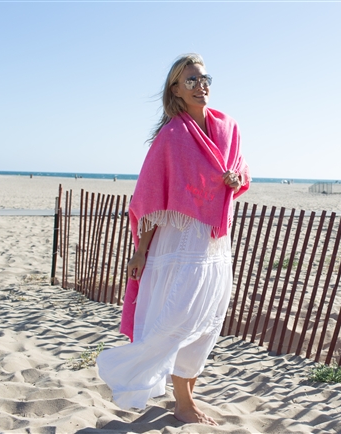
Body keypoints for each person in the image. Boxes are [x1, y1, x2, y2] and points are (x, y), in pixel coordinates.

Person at [96, 53, 250, 426]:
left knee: (210, 318)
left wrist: (235, 177)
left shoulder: (227, 125)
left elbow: (242, 167)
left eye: (204, 78)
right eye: (191, 81)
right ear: (176, 90)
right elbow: (149, 197)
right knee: (179, 316)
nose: (201, 86)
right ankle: (176, 399)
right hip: (178, 241)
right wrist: (140, 251)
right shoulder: (172, 135)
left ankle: (187, 396)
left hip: (215, 240)